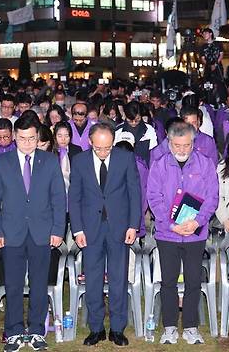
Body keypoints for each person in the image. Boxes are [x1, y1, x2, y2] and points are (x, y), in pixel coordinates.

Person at [0, 116, 66, 352]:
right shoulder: (2, 162)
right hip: (11, 232)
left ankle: (36, 331)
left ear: (38, 137)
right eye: (22, 138)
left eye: (32, 138)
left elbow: (59, 198)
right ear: (14, 137)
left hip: (42, 232)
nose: (27, 143)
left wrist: (58, 230)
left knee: (39, 284)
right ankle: (13, 331)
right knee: (12, 284)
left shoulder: (50, 161)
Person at [67, 122, 141, 346]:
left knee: (119, 280)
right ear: (90, 142)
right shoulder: (79, 161)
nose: (103, 152)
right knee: (92, 280)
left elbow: (135, 193)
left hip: (119, 227)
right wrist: (77, 228)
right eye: (98, 148)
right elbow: (75, 197)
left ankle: (118, 329)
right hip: (90, 229)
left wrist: (132, 225)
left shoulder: (125, 158)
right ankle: (96, 328)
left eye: (107, 147)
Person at [147, 121, 218, 345]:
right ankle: (169, 326)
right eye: (177, 145)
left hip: (195, 234)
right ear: (169, 142)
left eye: (186, 145)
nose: (182, 149)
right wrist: (169, 225)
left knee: (193, 280)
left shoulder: (205, 164)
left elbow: (212, 197)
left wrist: (198, 222)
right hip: (167, 234)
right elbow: (154, 197)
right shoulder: (159, 165)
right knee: (168, 281)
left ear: (193, 142)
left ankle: (190, 326)